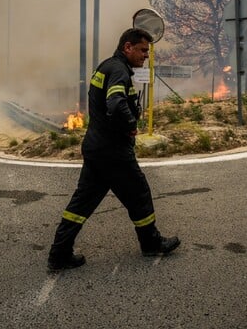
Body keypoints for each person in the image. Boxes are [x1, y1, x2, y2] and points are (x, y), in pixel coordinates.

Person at [47, 28, 181, 270]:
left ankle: (59, 253)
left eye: (147, 52)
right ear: (127, 47)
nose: (145, 56)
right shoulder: (119, 70)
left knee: (81, 204)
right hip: (113, 151)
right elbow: (116, 104)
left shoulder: (106, 66)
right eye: (142, 50)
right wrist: (131, 126)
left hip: (97, 147)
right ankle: (150, 243)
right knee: (139, 193)